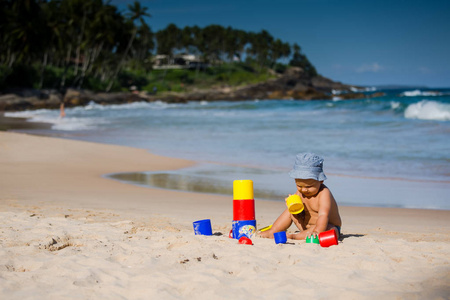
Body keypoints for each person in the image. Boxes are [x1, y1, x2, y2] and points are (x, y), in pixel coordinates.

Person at [259, 153, 342, 240]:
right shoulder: (300, 193)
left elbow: (323, 215)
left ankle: (294, 236)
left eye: (309, 187)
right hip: (305, 227)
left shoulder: (324, 193)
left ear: (321, 180)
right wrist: (292, 205)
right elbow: (297, 211)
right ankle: (273, 231)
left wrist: (318, 230)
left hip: (325, 227)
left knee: (329, 227)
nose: (304, 190)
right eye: (299, 186)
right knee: (289, 212)